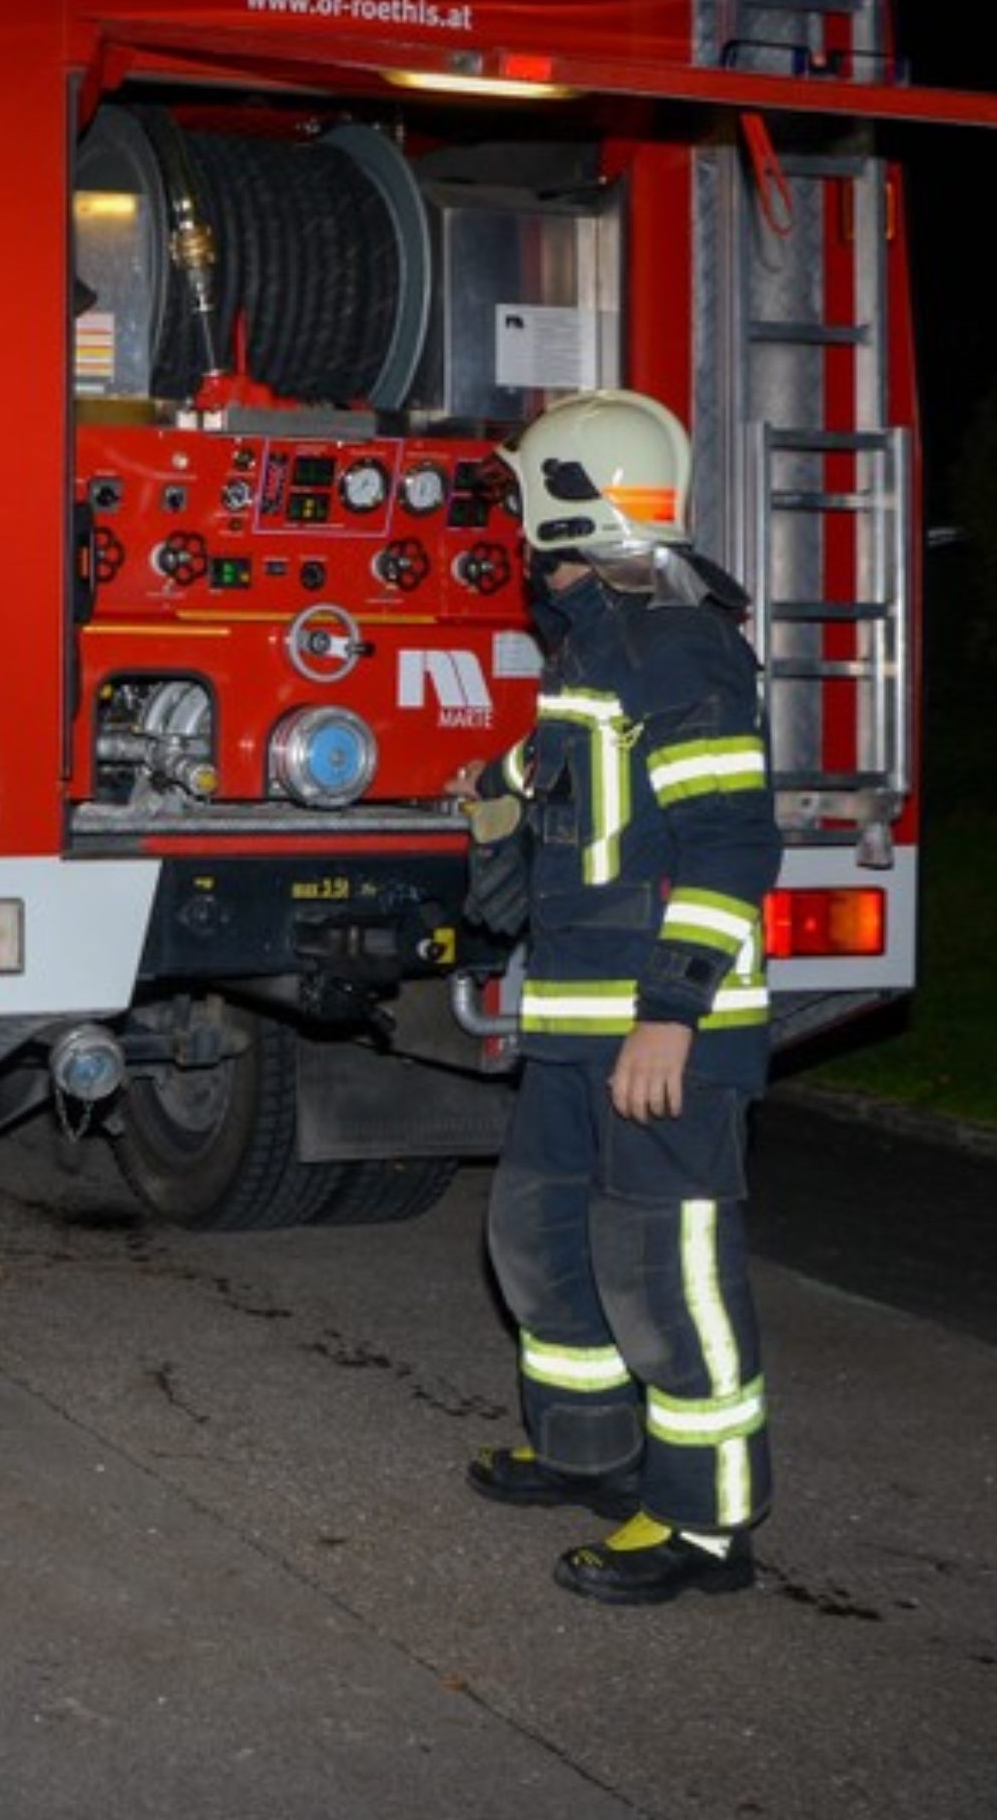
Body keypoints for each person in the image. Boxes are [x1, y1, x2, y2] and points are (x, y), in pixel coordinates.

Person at [459, 386, 779, 1604]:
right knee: (539, 1240)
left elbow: (729, 843)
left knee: (665, 1274)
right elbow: (592, 788)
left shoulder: (678, 646)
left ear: (565, 499)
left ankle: (702, 1524)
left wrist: (671, 1014)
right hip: (572, 1024)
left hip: (657, 1035)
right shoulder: (599, 640)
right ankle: (587, 1453)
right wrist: (495, 785)